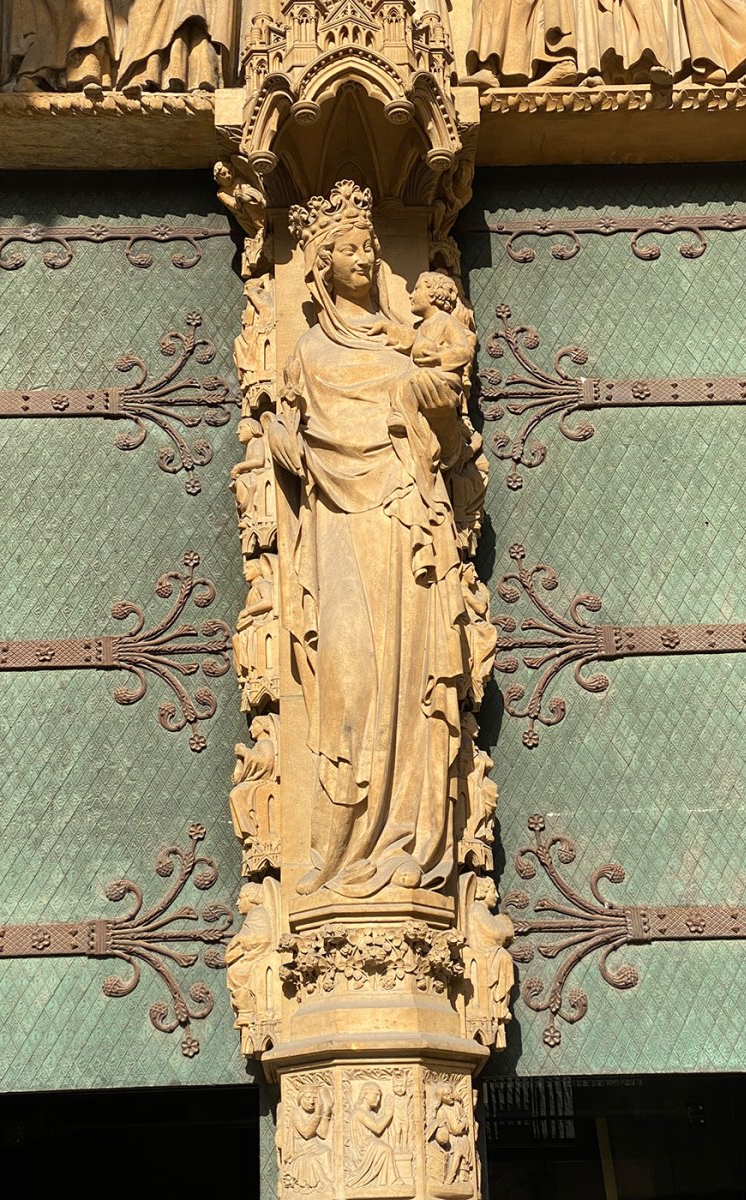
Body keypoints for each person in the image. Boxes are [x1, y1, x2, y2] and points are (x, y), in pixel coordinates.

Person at [263, 181, 469, 899]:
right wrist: (282, 439)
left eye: (368, 246)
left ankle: (407, 843)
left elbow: (449, 438)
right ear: (321, 265)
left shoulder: (406, 342)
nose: (363, 255)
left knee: (409, 684)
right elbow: (292, 434)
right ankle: (339, 849)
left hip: (403, 525)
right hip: (337, 531)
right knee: (348, 684)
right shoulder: (309, 353)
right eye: (347, 247)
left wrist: (429, 402)